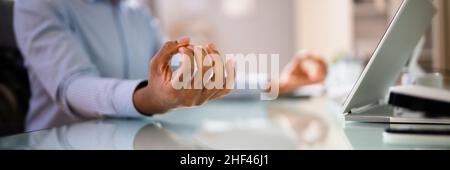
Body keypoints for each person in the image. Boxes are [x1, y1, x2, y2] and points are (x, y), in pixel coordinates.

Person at [14, 0, 327, 132]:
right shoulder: (39, 5)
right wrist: (151, 97)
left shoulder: (136, 13)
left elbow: (184, 80)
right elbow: (73, 87)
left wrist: (276, 83)